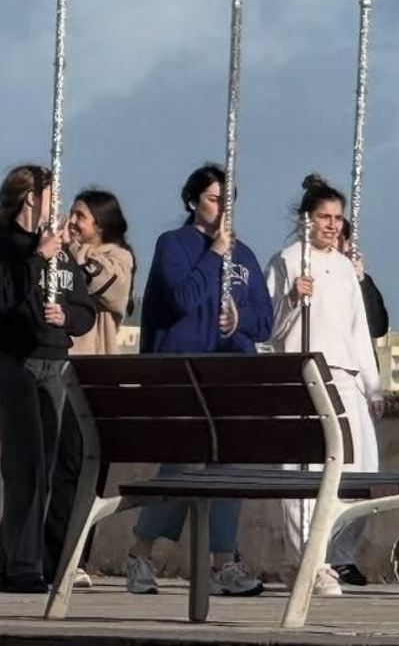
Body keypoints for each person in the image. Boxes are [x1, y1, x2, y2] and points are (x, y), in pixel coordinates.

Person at [122, 163, 272, 598]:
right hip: (183, 373)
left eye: (228, 201)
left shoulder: (244, 255)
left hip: (230, 374)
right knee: (180, 463)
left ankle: (224, 562)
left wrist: (240, 318)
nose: (223, 208)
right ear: (193, 202)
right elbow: (182, 298)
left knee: (226, 466)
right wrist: (214, 257)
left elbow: (265, 321)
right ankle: (141, 552)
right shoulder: (174, 245)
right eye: (213, 199)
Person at [0, 165, 97, 593]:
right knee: (24, 463)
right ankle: (25, 563)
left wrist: (68, 317)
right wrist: (38, 258)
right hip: (12, 357)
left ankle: (12, 558)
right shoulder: (0, 245)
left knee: (43, 466)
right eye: (50, 194)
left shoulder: (62, 253)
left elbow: (85, 308)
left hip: (52, 359)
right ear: (30, 197)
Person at [266, 174, 384, 596]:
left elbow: (358, 330)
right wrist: (294, 299)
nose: (332, 225)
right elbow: (272, 328)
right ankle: (306, 560)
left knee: (360, 469)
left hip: (346, 377)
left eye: (337, 218)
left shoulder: (343, 267)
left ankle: (332, 554)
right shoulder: (287, 260)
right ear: (307, 219)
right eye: (324, 217)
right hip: (305, 375)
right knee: (307, 471)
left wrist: (372, 385)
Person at [45, 188, 135, 590]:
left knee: (86, 470)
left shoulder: (117, 258)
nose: (72, 221)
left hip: (96, 376)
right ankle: (54, 555)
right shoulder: (64, 255)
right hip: (63, 372)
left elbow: (97, 283)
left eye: (80, 215)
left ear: (100, 222)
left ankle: (76, 555)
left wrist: (68, 252)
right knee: (63, 470)